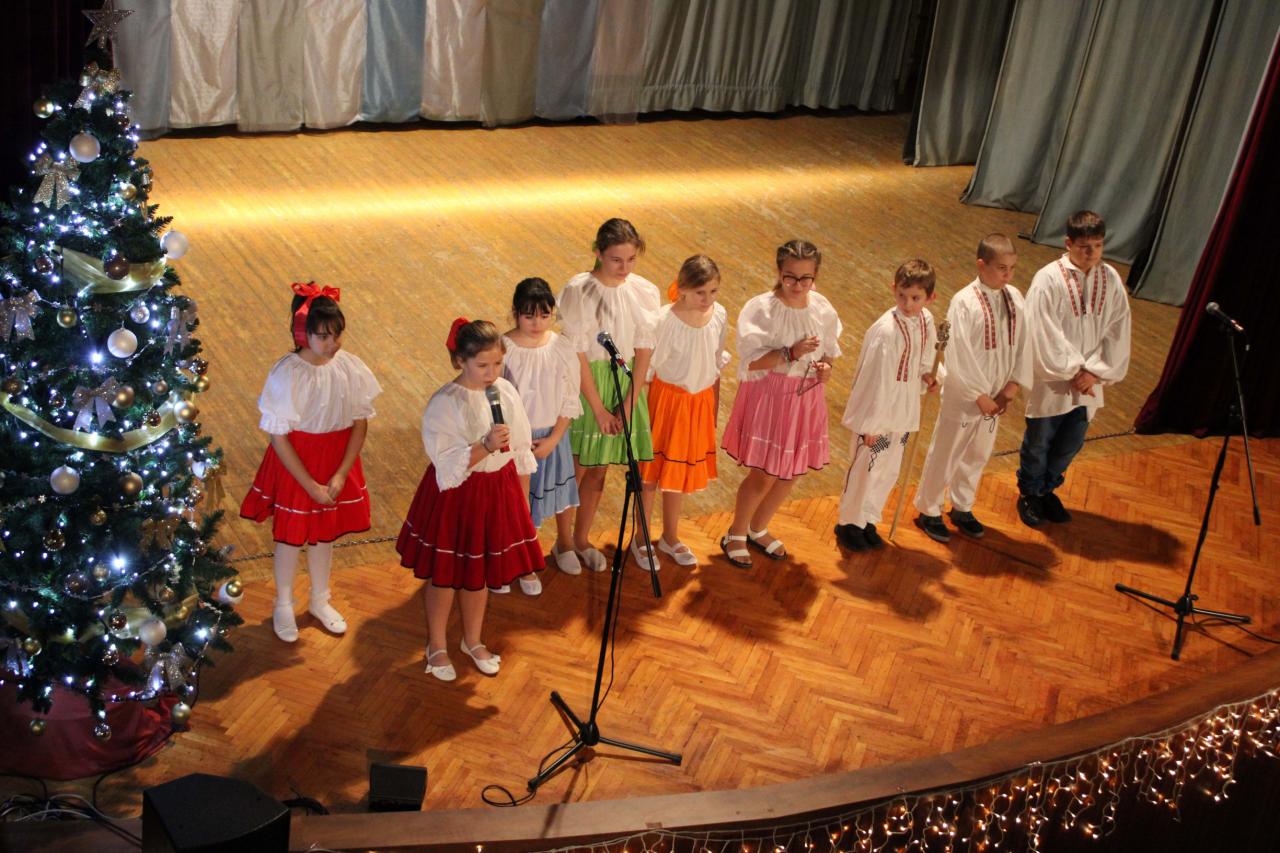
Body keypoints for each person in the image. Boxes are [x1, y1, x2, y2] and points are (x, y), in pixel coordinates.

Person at [396, 319, 541, 681]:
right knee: (445, 575)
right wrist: (485, 446)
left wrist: (520, 502)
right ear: (460, 360)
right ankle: (436, 644)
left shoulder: (505, 391)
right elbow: (447, 464)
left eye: (498, 363)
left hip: (497, 489)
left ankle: (472, 640)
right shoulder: (445, 403)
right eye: (483, 365)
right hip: (458, 494)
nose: (492, 373)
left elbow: (520, 448)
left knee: (479, 573)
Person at [240, 282, 381, 642]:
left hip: (335, 461)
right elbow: (279, 437)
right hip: (297, 465)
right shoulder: (287, 373)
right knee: (290, 538)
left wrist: (341, 474)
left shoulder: (349, 368)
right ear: (302, 334)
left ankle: (320, 599)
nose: (333, 343)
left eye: (337, 335)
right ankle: (283, 603)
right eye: (323, 336)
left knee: (324, 535)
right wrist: (310, 485)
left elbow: (359, 423)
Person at [720, 240, 841, 569]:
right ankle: (735, 533)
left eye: (806, 279)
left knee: (790, 473)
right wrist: (791, 352)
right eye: (790, 277)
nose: (798, 286)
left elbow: (829, 351)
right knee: (763, 475)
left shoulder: (822, 308)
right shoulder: (762, 309)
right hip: (771, 397)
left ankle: (758, 528)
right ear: (778, 272)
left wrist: (826, 368)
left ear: (815, 276)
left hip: (806, 398)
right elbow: (750, 362)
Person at [1016, 211, 1131, 527]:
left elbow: (1118, 328)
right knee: (1040, 441)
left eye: (1098, 245)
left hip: (1089, 382)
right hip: (1054, 379)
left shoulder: (1110, 279)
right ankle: (1030, 493)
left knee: (1070, 443)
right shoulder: (1048, 279)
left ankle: (1047, 489)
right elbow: (1042, 331)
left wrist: (1094, 372)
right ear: (1068, 243)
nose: (1092, 253)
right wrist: (1073, 370)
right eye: (1084, 246)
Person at [913, 234, 1031, 542]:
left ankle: (962, 505)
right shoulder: (964, 302)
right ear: (981, 265)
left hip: (997, 394)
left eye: (1012, 268)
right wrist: (978, 394)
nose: (1008, 275)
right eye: (1002, 268)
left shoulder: (1015, 298)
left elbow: (1024, 343)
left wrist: (1010, 387)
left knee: (978, 452)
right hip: (966, 395)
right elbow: (958, 354)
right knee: (948, 450)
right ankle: (929, 509)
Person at [558, 218, 660, 572]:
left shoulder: (644, 291)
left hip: (624, 383)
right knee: (575, 470)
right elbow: (576, 352)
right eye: (617, 259)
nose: (625, 268)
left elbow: (644, 349)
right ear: (598, 253)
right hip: (587, 385)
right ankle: (563, 541)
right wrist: (599, 409)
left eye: (631, 260)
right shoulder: (578, 290)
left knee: (599, 471)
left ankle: (582, 538)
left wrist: (628, 404)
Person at [835, 260, 941, 552]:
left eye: (916, 298)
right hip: (878, 413)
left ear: (930, 297)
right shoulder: (886, 331)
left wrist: (931, 377)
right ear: (894, 289)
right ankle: (849, 522)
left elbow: (925, 358)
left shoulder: (926, 320)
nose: (908, 304)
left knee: (888, 469)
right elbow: (874, 380)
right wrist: (871, 424)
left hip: (903, 409)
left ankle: (869, 517)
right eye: (902, 296)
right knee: (866, 468)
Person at [635, 255, 731, 569]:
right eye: (701, 292)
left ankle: (670, 536)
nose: (707, 299)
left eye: (713, 291)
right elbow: (647, 370)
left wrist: (712, 408)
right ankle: (640, 538)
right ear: (683, 289)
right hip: (666, 402)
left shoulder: (719, 315)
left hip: (698, 403)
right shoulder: (663, 321)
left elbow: (715, 363)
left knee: (677, 474)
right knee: (650, 475)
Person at [502, 277, 583, 584]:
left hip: (551, 438)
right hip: (516, 442)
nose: (537, 323)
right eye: (528, 316)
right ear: (515, 313)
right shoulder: (503, 349)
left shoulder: (561, 347)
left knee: (559, 496)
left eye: (544, 315)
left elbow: (570, 396)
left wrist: (555, 438)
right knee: (518, 505)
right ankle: (521, 557)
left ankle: (565, 544)